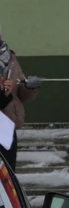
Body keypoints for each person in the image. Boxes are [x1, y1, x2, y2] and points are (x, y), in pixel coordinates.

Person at [0, 23, 39, 168]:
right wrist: (4, 95)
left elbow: (20, 93)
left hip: (7, 126)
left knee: (8, 176)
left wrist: (29, 87)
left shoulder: (10, 59)